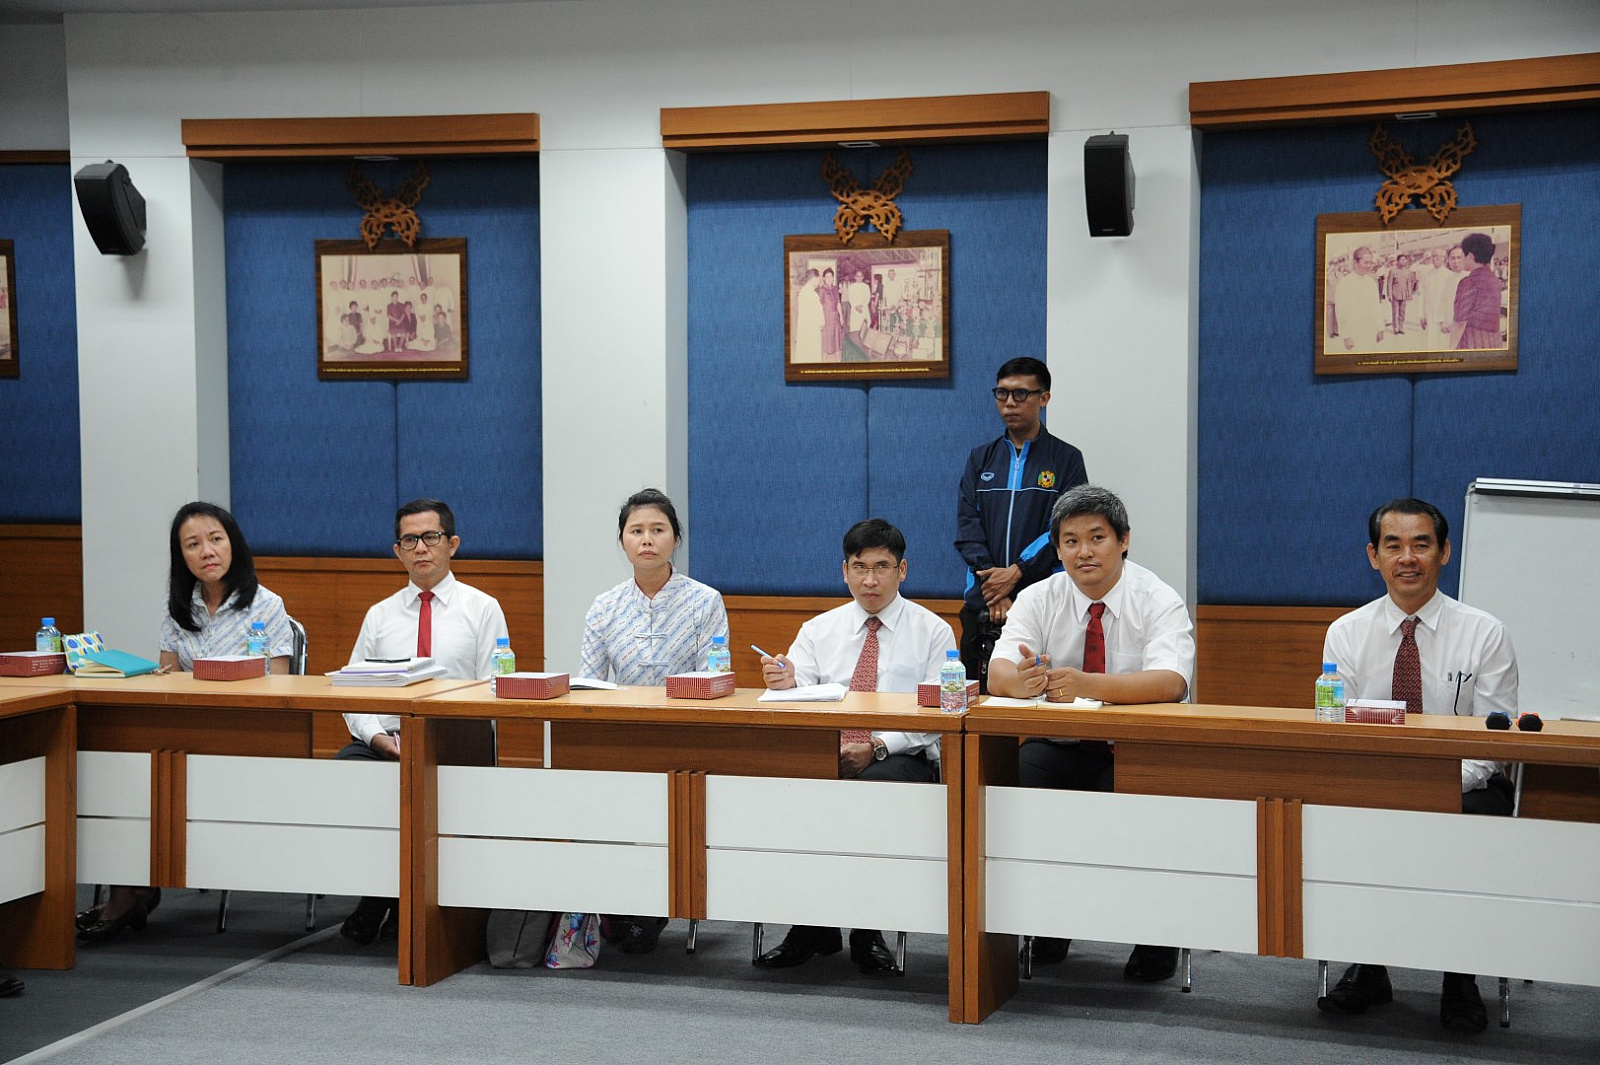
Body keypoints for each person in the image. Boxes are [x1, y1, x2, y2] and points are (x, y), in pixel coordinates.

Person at [1316, 497, 1517, 1033]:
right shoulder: (1346, 633)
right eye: (1394, 546)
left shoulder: (1485, 633)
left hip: (1467, 785)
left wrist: (1430, 786)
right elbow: (1340, 728)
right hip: (1377, 782)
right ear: (1373, 556)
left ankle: (1461, 976)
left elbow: (1493, 741)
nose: (1407, 558)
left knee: (1478, 823)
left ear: (1444, 553)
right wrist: (1392, 786)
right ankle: (1369, 966)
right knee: (1342, 817)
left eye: (1421, 545)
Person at [987, 485, 1195, 981]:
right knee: (1012, 786)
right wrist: (1025, 681)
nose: (1084, 551)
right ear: (1058, 549)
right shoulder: (1039, 597)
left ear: (1124, 540)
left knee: (1143, 809)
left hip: (1135, 749)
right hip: (1058, 745)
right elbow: (998, 673)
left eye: (1097, 538)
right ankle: (1048, 921)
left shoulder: (1157, 599)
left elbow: (1171, 682)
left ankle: (1156, 936)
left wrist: (1085, 685)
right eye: (1071, 541)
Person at [78, 502, 293, 943]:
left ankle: (133, 893)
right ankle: (131, 889)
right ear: (182, 556)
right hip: (187, 733)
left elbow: (281, 684)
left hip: (246, 736)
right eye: (193, 544)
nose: (207, 551)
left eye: (215, 539)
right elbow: (169, 676)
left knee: (156, 778)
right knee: (127, 775)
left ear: (233, 544)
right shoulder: (178, 606)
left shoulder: (267, 605)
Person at [755, 519, 956, 976]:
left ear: (902, 571)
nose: (870, 580)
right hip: (829, 754)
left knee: (868, 798)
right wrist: (785, 683)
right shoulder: (817, 630)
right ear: (844, 571)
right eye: (860, 568)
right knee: (789, 792)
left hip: (900, 758)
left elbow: (940, 715)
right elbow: (797, 696)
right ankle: (814, 925)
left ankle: (867, 930)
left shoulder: (933, 631)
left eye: (882, 567)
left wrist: (878, 746)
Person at [338, 498, 509, 946]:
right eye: (409, 540)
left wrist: (437, 736)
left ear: (452, 544)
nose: (420, 548)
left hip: (454, 740)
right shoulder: (380, 615)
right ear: (397, 551)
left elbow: (494, 690)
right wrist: (377, 737)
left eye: (430, 537)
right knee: (348, 771)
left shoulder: (482, 608)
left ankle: (388, 902)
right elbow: (352, 692)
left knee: (433, 786)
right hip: (387, 741)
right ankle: (387, 893)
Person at [580, 489, 729, 955]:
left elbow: (714, 678)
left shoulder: (705, 601)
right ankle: (620, 903)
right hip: (623, 736)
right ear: (623, 541)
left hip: (686, 736)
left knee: (669, 810)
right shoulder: (604, 606)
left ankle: (653, 908)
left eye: (658, 530)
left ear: (676, 539)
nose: (647, 539)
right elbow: (589, 683)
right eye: (637, 530)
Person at [955, 357, 1088, 692]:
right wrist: (994, 586)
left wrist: (1016, 572)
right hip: (984, 602)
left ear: (1044, 398)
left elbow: (1064, 530)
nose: (1009, 403)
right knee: (977, 699)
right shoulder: (980, 459)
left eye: (1021, 394)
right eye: (1002, 393)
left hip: (1045, 603)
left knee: (1044, 696)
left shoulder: (1067, 459)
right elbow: (968, 528)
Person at [1451, 232, 1505, 350]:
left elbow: (1460, 322)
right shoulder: (1495, 280)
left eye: (1462, 255)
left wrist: (1451, 349)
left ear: (1470, 256)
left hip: (1473, 342)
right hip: (1494, 342)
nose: (1461, 260)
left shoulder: (1469, 282)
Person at [1331, 246, 1385, 352]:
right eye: (1366, 262)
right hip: (1353, 332)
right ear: (1355, 262)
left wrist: (1380, 328)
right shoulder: (1345, 283)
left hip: (1370, 329)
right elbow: (1341, 311)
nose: (1369, 266)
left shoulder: (1371, 282)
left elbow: (1376, 307)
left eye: (1370, 262)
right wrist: (1346, 336)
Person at [817, 267, 843, 361]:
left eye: (831, 276)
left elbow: (838, 302)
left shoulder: (835, 288)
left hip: (835, 316)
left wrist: (841, 316)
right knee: (826, 335)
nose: (829, 278)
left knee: (836, 334)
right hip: (825, 316)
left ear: (833, 278)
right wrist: (820, 319)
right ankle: (824, 356)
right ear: (823, 278)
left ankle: (837, 353)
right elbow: (819, 305)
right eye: (827, 277)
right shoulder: (821, 290)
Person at [1386, 253, 1415, 335]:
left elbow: (1409, 283)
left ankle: (1401, 327)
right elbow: (1389, 284)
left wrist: (1410, 294)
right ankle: (1395, 328)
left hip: (1404, 295)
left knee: (1402, 312)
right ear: (1398, 261)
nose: (1403, 261)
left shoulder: (1407, 272)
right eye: (1401, 260)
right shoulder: (1393, 271)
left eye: (1404, 260)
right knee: (1395, 312)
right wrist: (1389, 295)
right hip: (1395, 295)